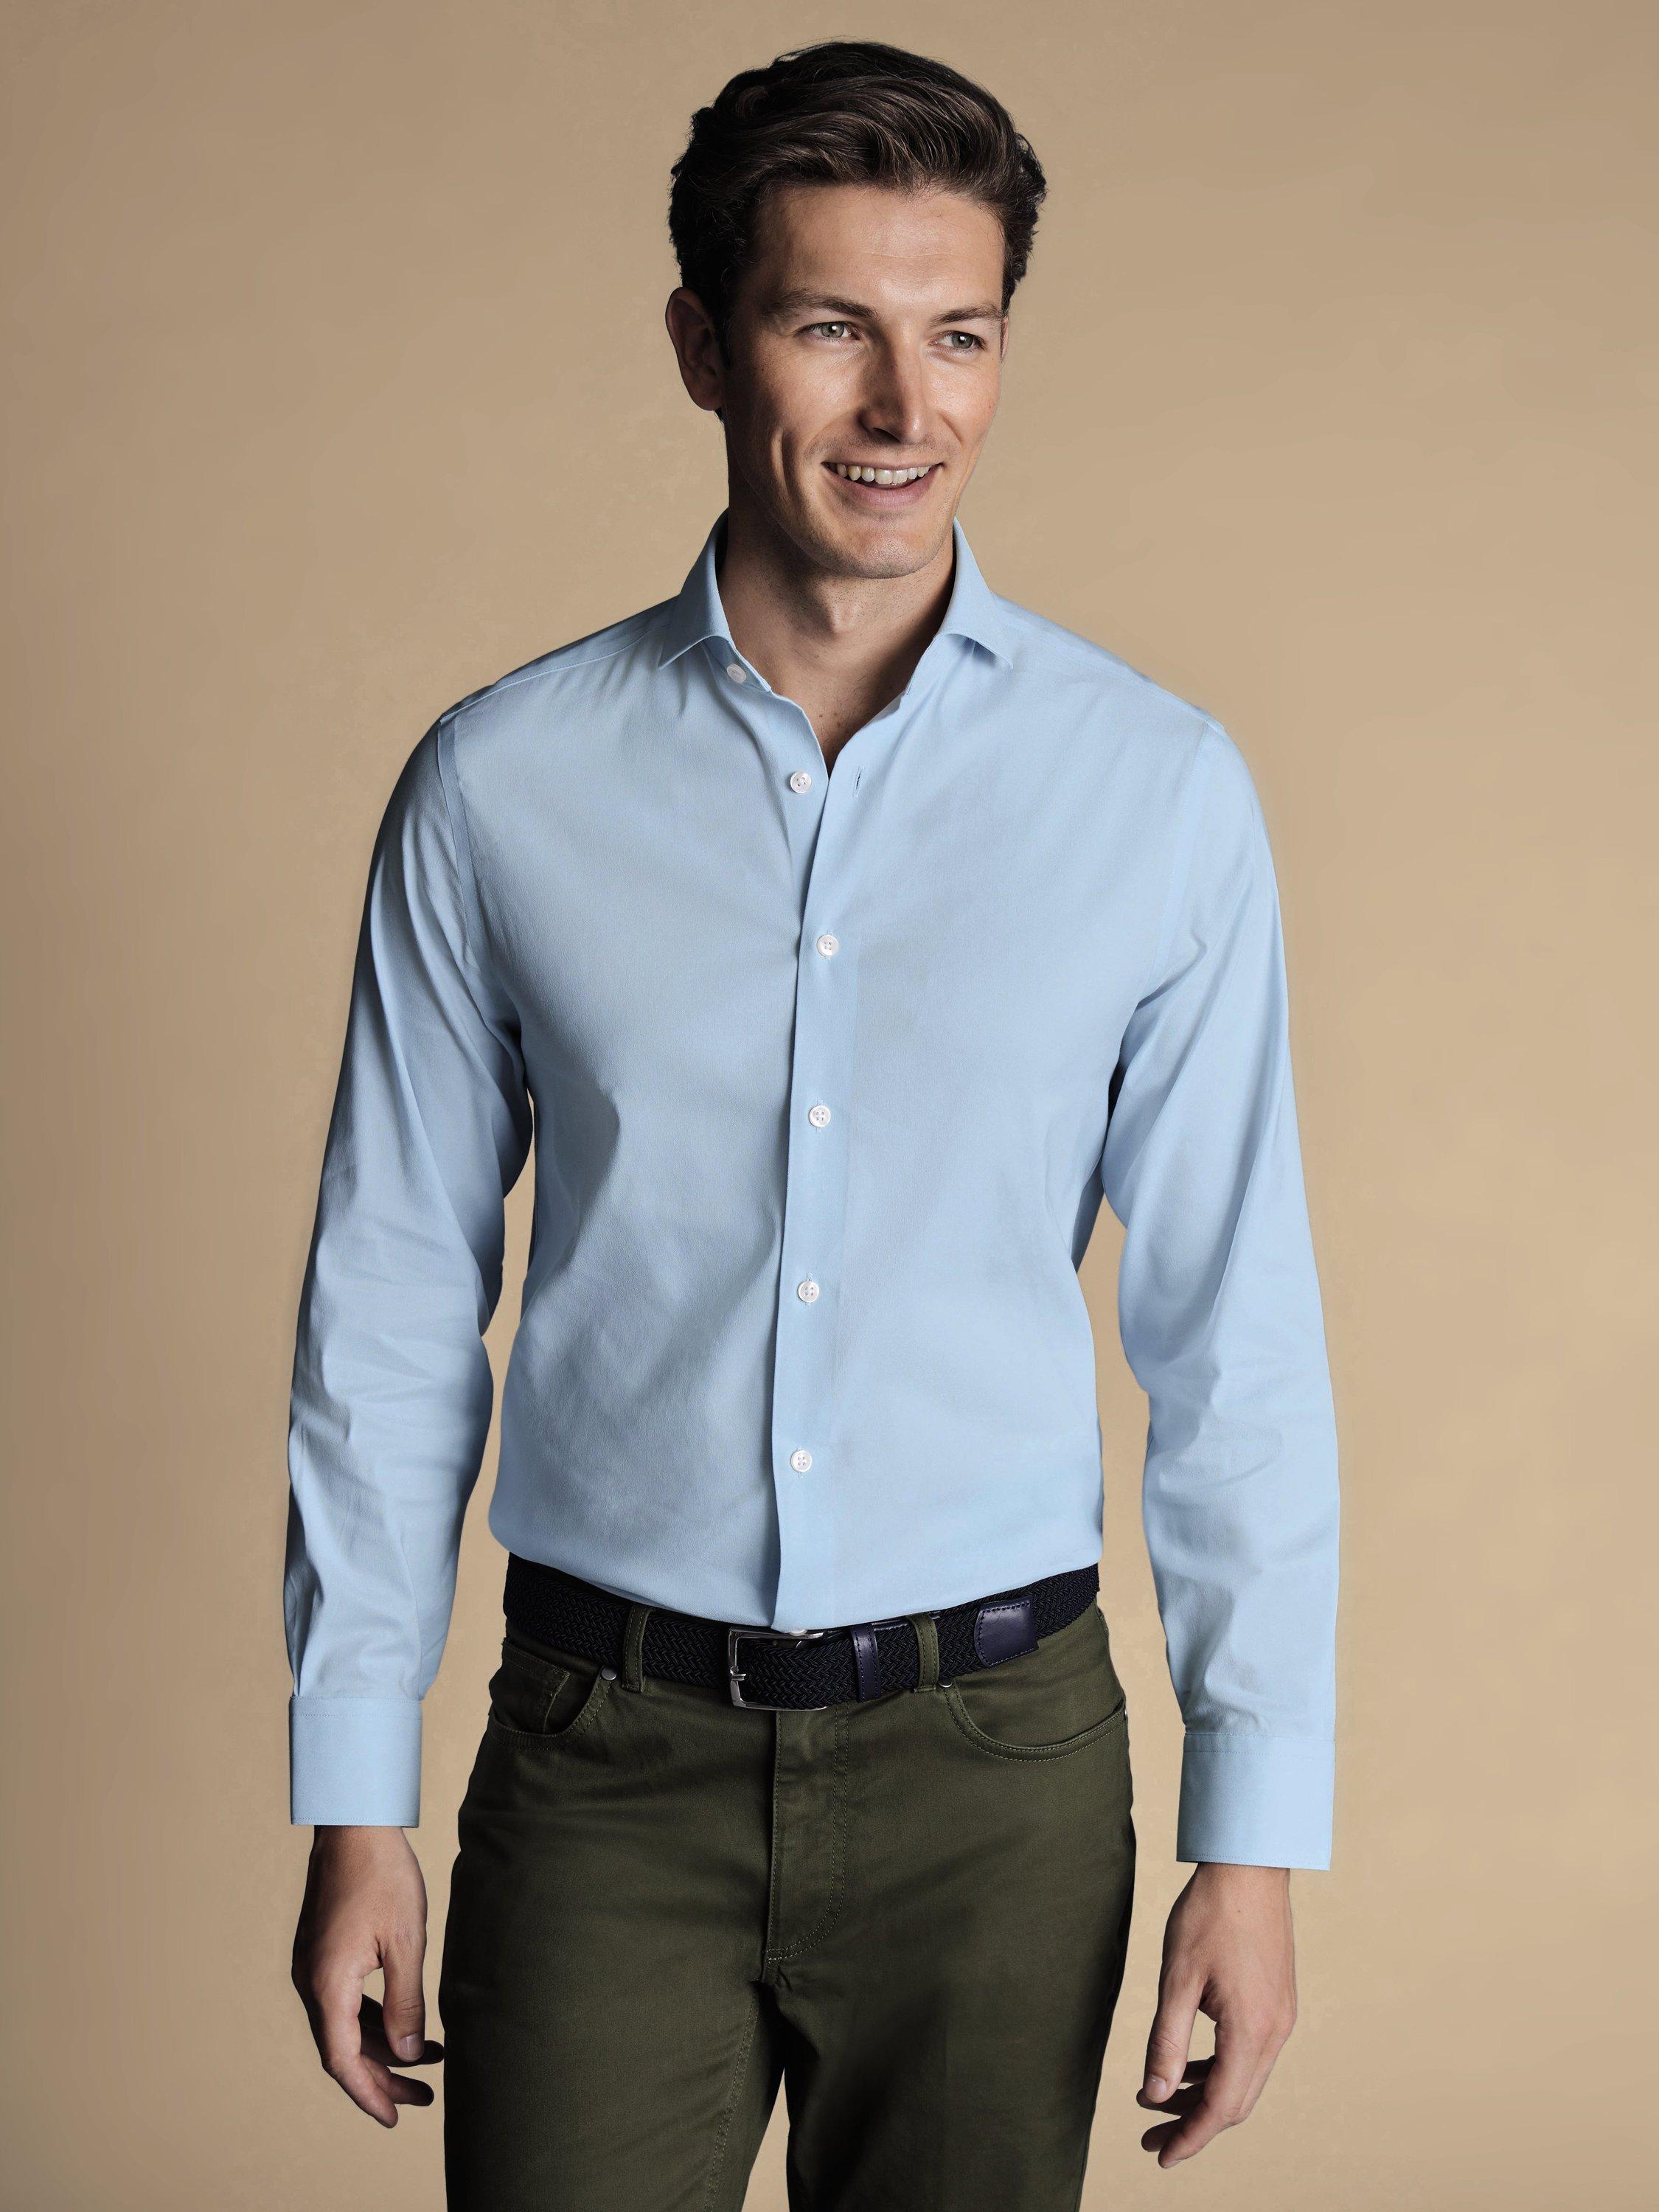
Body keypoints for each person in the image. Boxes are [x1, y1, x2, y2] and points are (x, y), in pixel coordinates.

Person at [284, 38, 1340, 2210]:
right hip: (605, 1762)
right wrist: (351, 1791)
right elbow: (390, 1301)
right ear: (702, 346)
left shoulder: (1155, 795)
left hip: (998, 1780)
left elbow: (1232, 1339)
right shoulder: (502, 786)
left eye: (959, 334)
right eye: (829, 324)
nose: (901, 406)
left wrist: (1252, 1837)